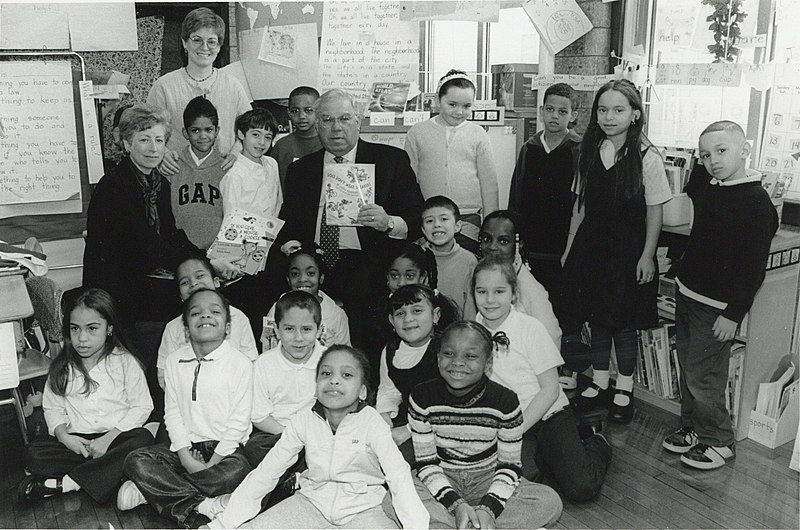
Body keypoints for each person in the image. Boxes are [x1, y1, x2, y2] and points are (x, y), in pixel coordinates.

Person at [84, 104, 237, 409]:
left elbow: (172, 235)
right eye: (144, 140)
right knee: (178, 310)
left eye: (159, 140)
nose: (153, 149)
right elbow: (146, 246)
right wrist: (205, 265)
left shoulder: (158, 182)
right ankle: (161, 405)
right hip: (118, 291)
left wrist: (208, 258)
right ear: (126, 143)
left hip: (143, 279)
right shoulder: (114, 186)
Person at [207, 346, 429, 529]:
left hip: (365, 509)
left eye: (347, 375)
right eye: (326, 373)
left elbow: (399, 477)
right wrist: (222, 524)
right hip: (311, 502)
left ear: (362, 392)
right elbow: (267, 472)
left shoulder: (372, 423)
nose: (334, 380)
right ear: (316, 387)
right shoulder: (304, 419)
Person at [662, 121, 778, 470]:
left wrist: (733, 314)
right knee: (688, 369)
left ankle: (719, 441)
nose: (713, 160)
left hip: (717, 309)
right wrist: (700, 157)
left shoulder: (757, 204)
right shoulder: (710, 186)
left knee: (704, 376)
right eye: (706, 154)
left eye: (722, 151)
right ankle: (693, 428)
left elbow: (752, 269)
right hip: (687, 293)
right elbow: (697, 177)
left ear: (746, 151)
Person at [274, 88, 424, 355]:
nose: (336, 128)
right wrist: (290, 243)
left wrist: (388, 222)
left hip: (368, 260)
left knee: (366, 291)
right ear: (317, 125)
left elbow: (415, 216)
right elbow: (289, 222)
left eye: (344, 119)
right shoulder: (300, 170)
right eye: (327, 120)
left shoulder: (391, 160)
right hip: (315, 260)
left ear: (358, 121)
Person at [564, 79, 671, 425]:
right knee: (597, 319)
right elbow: (579, 206)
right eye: (603, 109)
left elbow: (655, 209)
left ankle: (624, 388)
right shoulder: (588, 150)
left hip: (628, 250)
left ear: (635, 114)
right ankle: (598, 382)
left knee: (623, 323)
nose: (609, 117)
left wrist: (647, 256)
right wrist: (569, 249)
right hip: (592, 246)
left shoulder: (646, 156)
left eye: (619, 110)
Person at [472, 257, 611, 501]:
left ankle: (597, 441)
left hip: (548, 414)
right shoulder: (474, 329)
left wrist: (515, 430)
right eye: (482, 291)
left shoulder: (530, 328)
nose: (490, 299)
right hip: (507, 421)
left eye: (499, 291)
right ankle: (548, 458)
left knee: (581, 487)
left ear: (514, 293)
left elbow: (549, 390)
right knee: (516, 484)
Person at [408, 320, 563, 528]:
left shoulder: (505, 401)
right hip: (443, 476)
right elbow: (426, 463)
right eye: (448, 354)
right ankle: (469, 522)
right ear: (437, 358)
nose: (458, 362)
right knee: (395, 498)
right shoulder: (421, 396)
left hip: (488, 477)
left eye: (470, 356)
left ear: (488, 363)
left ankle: (467, 523)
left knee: (549, 502)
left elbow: (509, 466)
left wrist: (489, 508)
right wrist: (456, 505)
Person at [120, 290, 253, 528]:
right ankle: (203, 505)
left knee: (239, 471)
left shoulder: (240, 364)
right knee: (136, 460)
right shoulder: (174, 361)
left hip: (224, 453)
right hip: (184, 450)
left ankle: (155, 491)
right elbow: (172, 414)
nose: (205, 316)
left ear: (228, 327)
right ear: (185, 328)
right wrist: (186, 457)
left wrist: (211, 463)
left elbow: (239, 423)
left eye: (215, 311)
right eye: (196, 312)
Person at [19, 288, 154, 505]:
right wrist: (65, 437)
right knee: (33, 453)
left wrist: (107, 439)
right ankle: (111, 474)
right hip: (77, 443)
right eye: (75, 329)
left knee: (142, 440)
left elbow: (142, 407)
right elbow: (53, 409)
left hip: (116, 438)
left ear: (109, 328)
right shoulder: (62, 367)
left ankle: (68, 483)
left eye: (92, 329)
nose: (82, 338)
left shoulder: (125, 362)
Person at [405, 69, 499, 254]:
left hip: (468, 218)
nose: (459, 112)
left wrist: (491, 223)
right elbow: (409, 180)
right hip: (430, 217)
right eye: (452, 104)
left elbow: (489, 183)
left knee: (467, 267)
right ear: (437, 101)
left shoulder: (477, 134)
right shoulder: (418, 132)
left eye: (466, 106)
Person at [508, 83, 580, 302]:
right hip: (532, 243)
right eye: (549, 109)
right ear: (541, 111)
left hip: (565, 244)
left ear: (573, 115)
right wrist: (516, 236)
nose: (554, 116)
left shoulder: (579, 149)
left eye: (562, 111)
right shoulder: (529, 148)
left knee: (563, 305)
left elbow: (582, 201)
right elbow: (516, 195)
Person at [147, 7, 250, 160]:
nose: (204, 47)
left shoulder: (233, 86)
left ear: (219, 47)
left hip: (223, 173)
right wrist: (164, 155)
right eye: (197, 40)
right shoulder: (164, 86)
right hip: (178, 175)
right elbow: (148, 130)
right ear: (184, 43)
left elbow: (249, 129)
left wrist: (236, 154)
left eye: (212, 42)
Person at [246, 291, 325, 467]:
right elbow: (259, 416)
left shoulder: (329, 360)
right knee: (255, 448)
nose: (298, 338)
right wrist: (291, 436)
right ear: (277, 330)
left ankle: (295, 477)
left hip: (319, 432)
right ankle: (297, 478)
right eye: (289, 329)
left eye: (306, 329)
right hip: (277, 433)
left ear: (319, 330)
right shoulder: (263, 364)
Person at [157, 256, 257, 391]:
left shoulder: (237, 317)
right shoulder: (173, 327)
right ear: (180, 296)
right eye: (185, 282)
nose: (193, 283)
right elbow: (165, 374)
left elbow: (251, 360)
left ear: (216, 282)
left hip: (234, 394)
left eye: (199, 276)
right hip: (191, 399)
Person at [469, 210, 561, 347]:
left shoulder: (530, 289)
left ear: (519, 244)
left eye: (503, 241)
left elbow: (552, 340)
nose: (492, 247)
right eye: (487, 239)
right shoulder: (477, 277)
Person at [376, 285, 441, 459]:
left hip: (440, 425)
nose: (408, 319)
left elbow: (450, 403)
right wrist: (385, 417)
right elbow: (389, 390)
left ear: (435, 315)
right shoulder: (390, 351)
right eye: (400, 314)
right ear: (391, 320)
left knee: (398, 459)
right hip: (405, 418)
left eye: (417, 310)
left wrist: (407, 430)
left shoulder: (445, 350)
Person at [261, 245, 350, 351]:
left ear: (321, 278)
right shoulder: (277, 308)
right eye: (295, 274)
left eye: (310, 273)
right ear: (288, 279)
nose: (302, 279)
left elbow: (345, 353)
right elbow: (267, 348)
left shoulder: (336, 314)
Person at [170, 96, 226, 250]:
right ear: (185, 133)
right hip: (180, 250)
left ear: (217, 131)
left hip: (216, 251)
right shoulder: (173, 166)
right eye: (195, 130)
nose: (203, 136)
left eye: (208, 130)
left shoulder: (226, 168)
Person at [419, 195, 477, 315]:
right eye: (430, 221)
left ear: (457, 226)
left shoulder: (469, 261)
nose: (437, 225)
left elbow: (470, 307)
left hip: (457, 329)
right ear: (423, 230)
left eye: (444, 219)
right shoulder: (416, 258)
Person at [220, 108, 282, 219]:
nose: (262, 142)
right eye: (256, 135)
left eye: (267, 137)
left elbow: (278, 203)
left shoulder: (272, 164)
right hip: (245, 234)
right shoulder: (234, 175)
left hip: (272, 232)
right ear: (241, 134)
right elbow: (230, 218)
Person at [269, 86, 322, 191]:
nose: (301, 116)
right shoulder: (281, 146)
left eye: (308, 110)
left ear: (319, 111)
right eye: (295, 111)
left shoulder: (328, 144)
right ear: (289, 113)